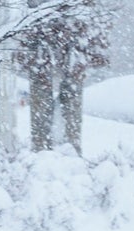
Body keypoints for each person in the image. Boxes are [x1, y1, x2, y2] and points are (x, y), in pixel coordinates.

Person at [22, 0, 107, 155]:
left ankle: (50, 149)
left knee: (54, 101)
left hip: (56, 44)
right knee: (55, 100)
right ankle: (52, 149)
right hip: (46, 43)